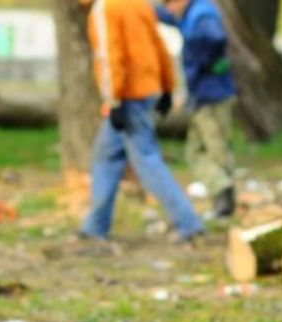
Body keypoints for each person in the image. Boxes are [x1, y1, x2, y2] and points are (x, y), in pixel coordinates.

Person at [78, 0, 205, 243]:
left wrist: (113, 100)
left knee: (146, 160)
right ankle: (95, 226)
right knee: (106, 157)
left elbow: (109, 57)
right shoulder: (136, 3)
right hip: (146, 90)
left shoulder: (105, 9)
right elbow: (159, 45)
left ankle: (188, 223)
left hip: (127, 96)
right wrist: (167, 86)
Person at [156, 0, 237, 218]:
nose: (169, 8)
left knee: (216, 147)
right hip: (202, 94)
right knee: (195, 150)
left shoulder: (201, 14)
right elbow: (169, 18)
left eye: (169, 3)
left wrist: (198, 67)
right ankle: (221, 192)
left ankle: (225, 199)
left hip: (212, 94)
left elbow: (215, 38)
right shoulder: (189, 13)